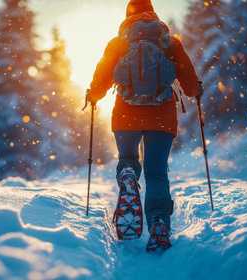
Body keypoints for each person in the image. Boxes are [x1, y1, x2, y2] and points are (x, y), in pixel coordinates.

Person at [86, 0, 201, 251]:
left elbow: (103, 75)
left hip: (126, 113)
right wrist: (196, 88)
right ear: (152, 12)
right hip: (162, 113)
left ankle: (128, 174)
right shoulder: (169, 41)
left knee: (128, 159)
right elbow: (191, 87)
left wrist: (92, 95)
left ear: (129, 14)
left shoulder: (119, 41)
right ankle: (159, 222)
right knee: (156, 170)